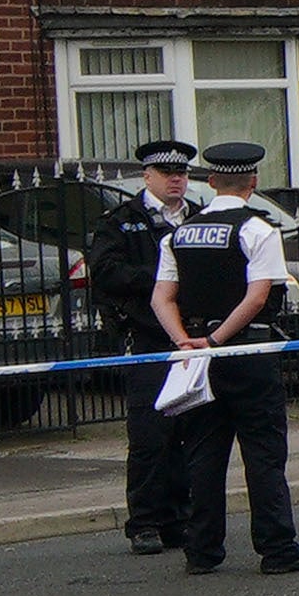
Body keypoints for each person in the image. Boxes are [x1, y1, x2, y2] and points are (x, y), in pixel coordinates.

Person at [151, 142, 299, 576]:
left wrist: (186, 341)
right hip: (246, 352)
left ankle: (202, 551)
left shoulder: (179, 233)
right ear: (253, 183)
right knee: (264, 453)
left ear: (210, 183)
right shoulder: (257, 230)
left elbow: (161, 297)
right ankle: (278, 548)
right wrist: (216, 339)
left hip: (197, 358)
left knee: (204, 455)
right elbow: (258, 295)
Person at [88, 139, 195, 555]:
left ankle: (179, 518)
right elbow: (106, 271)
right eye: (167, 174)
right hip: (147, 337)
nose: (176, 180)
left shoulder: (196, 219)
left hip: (191, 336)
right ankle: (145, 521)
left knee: (188, 430)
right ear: (147, 176)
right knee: (151, 434)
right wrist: (161, 278)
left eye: (182, 173)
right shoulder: (121, 222)